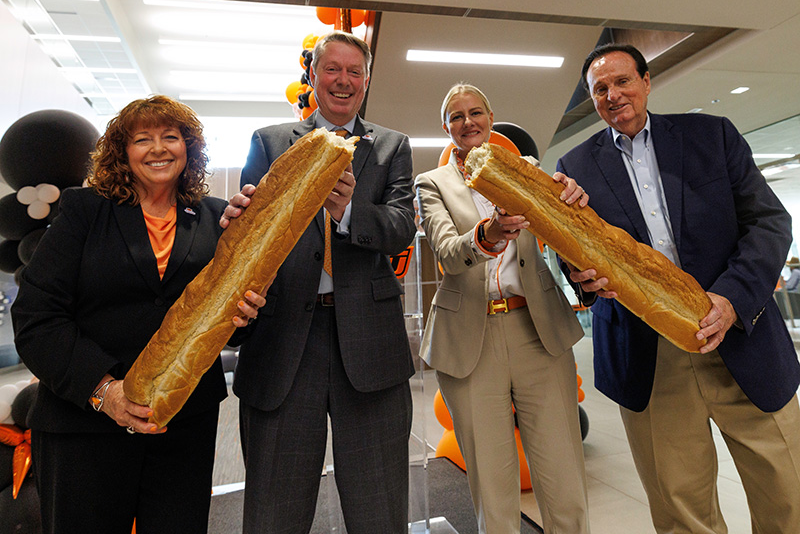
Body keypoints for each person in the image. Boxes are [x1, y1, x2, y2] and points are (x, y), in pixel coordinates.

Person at [557, 44, 800, 533]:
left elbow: (770, 223)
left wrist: (731, 299)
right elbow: (575, 255)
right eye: (600, 89)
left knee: (787, 491)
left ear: (647, 82)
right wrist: (580, 273)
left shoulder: (711, 136)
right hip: (649, 354)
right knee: (680, 508)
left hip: (740, 337)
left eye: (622, 81)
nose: (613, 94)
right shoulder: (576, 165)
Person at [12, 95, 264, 534]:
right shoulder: (83, 211)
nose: (159, 148)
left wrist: (244, 316)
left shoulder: (211, 217)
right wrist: (104, 391)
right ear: (121, 152)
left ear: (189, 148)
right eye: (142, 138)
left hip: (182, 426)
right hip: (85, 424)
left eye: (172, 136)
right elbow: (37, 316)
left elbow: (226, 320)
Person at [221, 31, 417, 534]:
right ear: (313, 74)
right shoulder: (269, 142)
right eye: (333, 69)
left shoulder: (392, 146)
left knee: (380, 508)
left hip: (369, 345)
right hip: (283, 339)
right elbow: (248, 238)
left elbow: (399, 228)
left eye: (355, 72)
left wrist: (349, 210)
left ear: (367, 81)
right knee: (274, 508)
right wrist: (236, 219)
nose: (343, 81)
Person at [414, 83, 591, 534]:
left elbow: (565, 233)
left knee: (563, 474)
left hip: (538, 331)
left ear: (491, 120)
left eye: (476, 112)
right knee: (492, 487)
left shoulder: (525, 169)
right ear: (446, 128)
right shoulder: (431, 184)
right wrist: (485, 236)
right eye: (457, 116)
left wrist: (571, 201)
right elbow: (449, 254)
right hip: (470, 339)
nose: (467, 122)